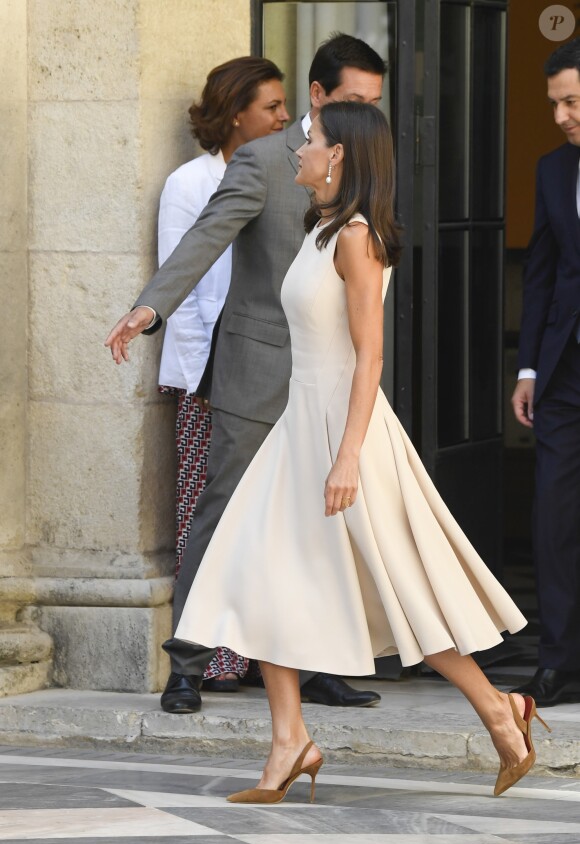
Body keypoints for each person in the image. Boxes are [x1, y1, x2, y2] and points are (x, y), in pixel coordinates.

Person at [174, 101, 549, 804]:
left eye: (309, 139)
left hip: (346, 433)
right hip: (300, 428)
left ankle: (500, 708)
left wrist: (347, 456)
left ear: (340, 154)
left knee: (398, 586)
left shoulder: (356, 238)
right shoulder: (318, 231)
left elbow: (370, 358)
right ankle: (290, 741)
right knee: (257, 572)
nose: (298, 149)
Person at [106, 34, 387, 714]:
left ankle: (314, 661)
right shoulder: (264, 161)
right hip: (258, 371)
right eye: (353, 101)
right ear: (318, 98)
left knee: (323, 521)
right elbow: (206, 238)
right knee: (223, 514)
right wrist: (151, 308)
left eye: (374, 105)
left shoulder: (372, 159)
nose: (366, 117)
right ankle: (188, 666)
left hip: (331, 376)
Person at [157, 56, 290, 693]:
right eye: (271, 107)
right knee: (208, 521)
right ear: (236, 112)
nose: (285, 117)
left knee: (276, 528)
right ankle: (195, 663)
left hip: (271, 371)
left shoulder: (291, 171)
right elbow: (183, 289)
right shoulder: (190, 183)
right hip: (210, 382)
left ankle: (266, 662)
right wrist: (197, 388)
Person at [511, 38, 580, 708]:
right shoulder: (554, 170)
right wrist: (528, 366)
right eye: (556, 103)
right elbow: (541, 273)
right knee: (552, 515)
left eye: (571, 101)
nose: (561, 115)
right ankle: (556, 659)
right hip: (563, 374)